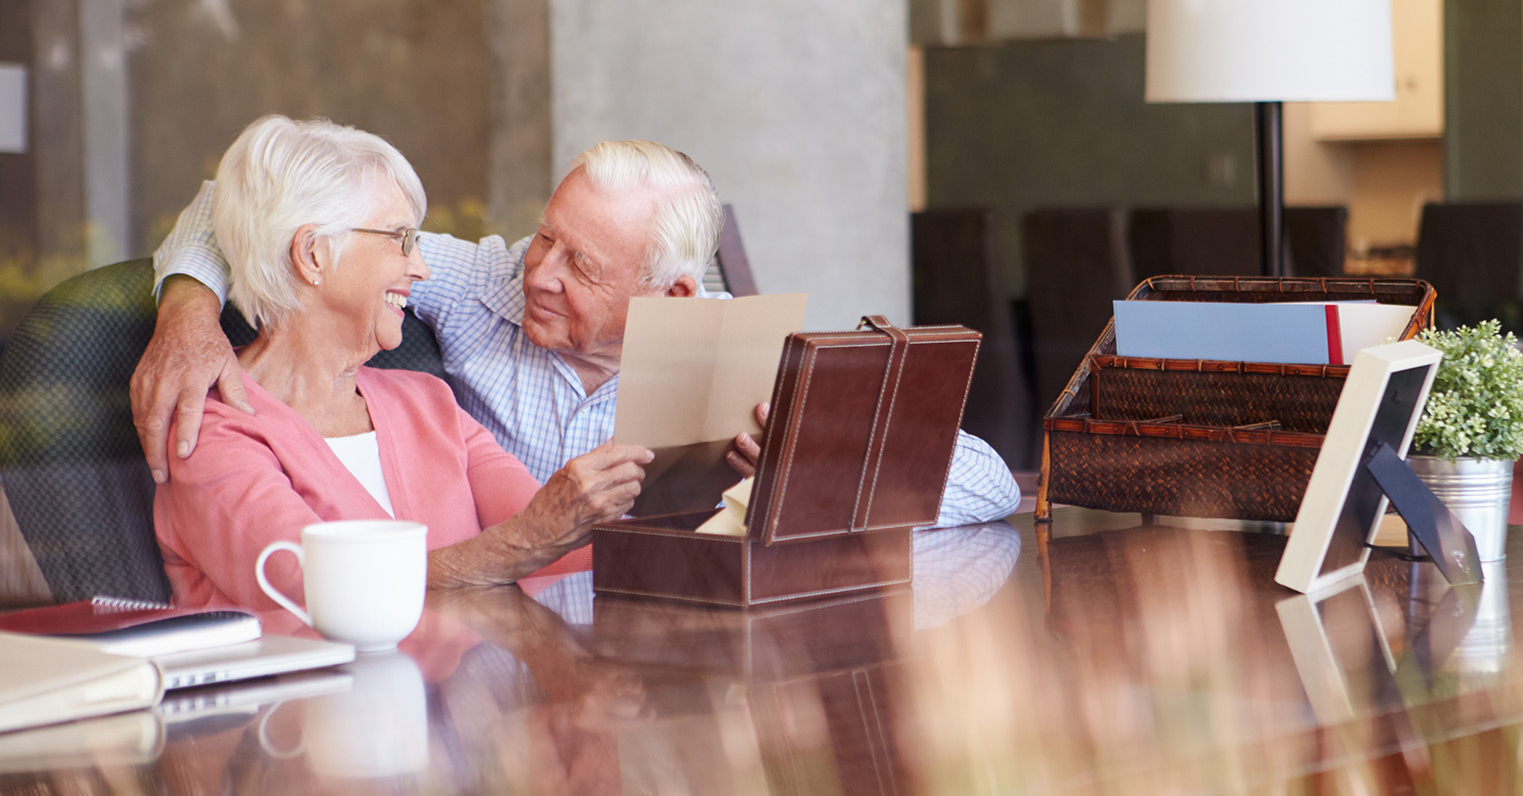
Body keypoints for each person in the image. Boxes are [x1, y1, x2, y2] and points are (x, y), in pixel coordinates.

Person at [135, 134, 1021, 528]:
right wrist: (187, 308)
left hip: (671, 657)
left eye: (580, 265)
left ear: (672, 293)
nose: (539, 272)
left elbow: (990, 485)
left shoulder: (732, 349)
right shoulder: (487, 279)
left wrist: (820, 460)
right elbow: (245, 202)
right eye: (545, 233)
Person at [154, 116, 659, 608]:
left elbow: (567, 546)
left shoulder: (427, 402)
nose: (421, 267)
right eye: (402, 240)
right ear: (311, 254)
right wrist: (526, 543)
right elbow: (319, 593)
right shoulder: (210, 429)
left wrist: (729, 510)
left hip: (471, 690)